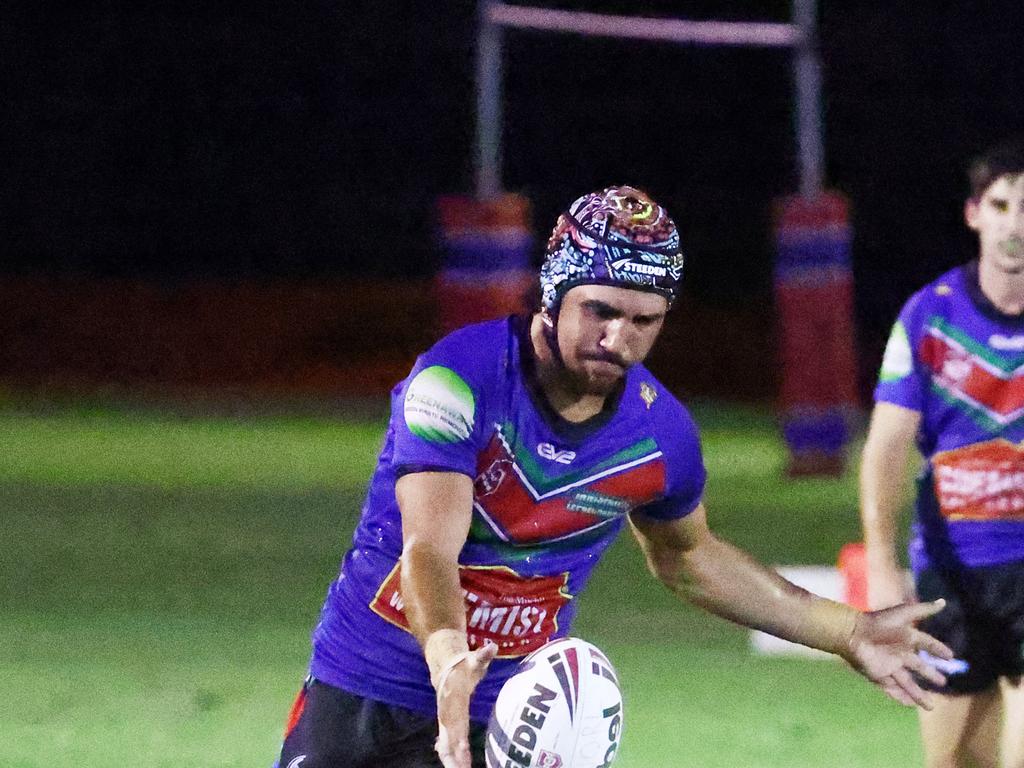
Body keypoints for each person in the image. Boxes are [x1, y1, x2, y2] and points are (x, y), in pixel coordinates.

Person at [277, 185, 951, 768]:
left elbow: (690, 559)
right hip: (366, 689)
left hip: (517, 720)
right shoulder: (459, 379)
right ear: (554, 291)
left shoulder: (661, 436)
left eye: (643, 320)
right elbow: (429, 547)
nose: (619, 339)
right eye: (600, 310)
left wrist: (849, 632)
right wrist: (449, 657)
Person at [860, 137, 1024, 768]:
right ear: (975, 214)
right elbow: (885, 451)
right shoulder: (929, 319)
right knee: (953, 760)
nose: (1015, 224)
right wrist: (881, 562)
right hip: (952, 575)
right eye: (1001, 205)